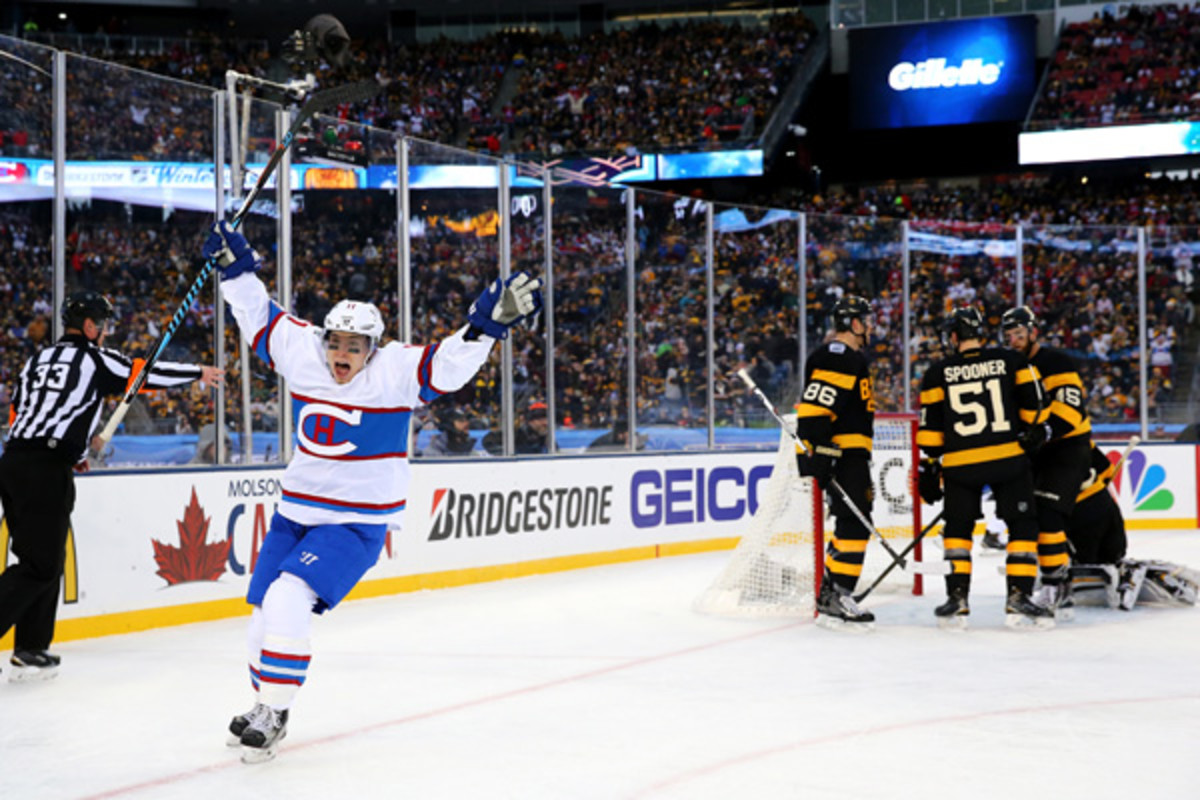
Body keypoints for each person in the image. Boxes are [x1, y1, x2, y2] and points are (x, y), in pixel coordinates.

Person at [202, 221, 541, 762]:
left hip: (355, 523)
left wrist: (485, 328)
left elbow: (448, 365)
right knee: (264, 611)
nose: (342, 352)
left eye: (354, 346)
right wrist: (233, 267)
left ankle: (274, 710)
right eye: (335, 341)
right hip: (294, 515)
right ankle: (269, 704)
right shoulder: (303, 354)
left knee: (290, 596)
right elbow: (256, 314)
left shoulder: (395, 372)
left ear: (372, 349)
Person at [0, 290, 223, 681]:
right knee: (39, 565)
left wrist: (76, 447)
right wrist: (197, 373)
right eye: (102, 325)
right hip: (46, 469)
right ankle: (28, 644)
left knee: (42, 558)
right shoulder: (95, 358)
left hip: (16, 461)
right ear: (89, 326)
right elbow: (143, 375)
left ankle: (31, 646)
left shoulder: (37, 360)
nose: (105, 332)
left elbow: (24, 409)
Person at [916, 306, 1054, 630]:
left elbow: (930, 435)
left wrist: (930, 466)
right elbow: (1037, 407)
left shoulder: (937, 372)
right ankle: (1019, 595)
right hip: (1008, 460)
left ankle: (957, 598)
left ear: (953, 336)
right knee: (1022, 527)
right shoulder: (1011, 361)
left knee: (957, 531)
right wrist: (1035, 432)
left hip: (962, 466)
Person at [1002, 305, 1094, 619]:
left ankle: (1055, 584)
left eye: (1019, 334)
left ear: (1033, 332)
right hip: (1036, 451)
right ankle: (1044, 577)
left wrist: (1044, 430)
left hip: (1068, 447)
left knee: (1048, 514)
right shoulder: (1011, 366)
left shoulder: (1055, 361)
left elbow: (1071, 409)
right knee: (1028, 517)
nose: (1014, 340)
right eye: (1009, 335)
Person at [793, 294, 878, 630]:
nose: (870, 326)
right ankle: (839, 593)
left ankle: (833, 591)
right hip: (843, 455)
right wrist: (821, 454)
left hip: (847, 454)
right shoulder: (837, 355)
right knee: (855, 523)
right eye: (866, 320)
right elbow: (814, 412)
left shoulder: (846, 357)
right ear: (854, 324)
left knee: (850, 522)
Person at [483, 401, 549, 455]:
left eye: (547, 419)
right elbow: (488, 441)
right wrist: (511, 453)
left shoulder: (545, 437)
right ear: (529, 421)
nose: (545, 423)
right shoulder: (518, 433)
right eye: (541, 419)